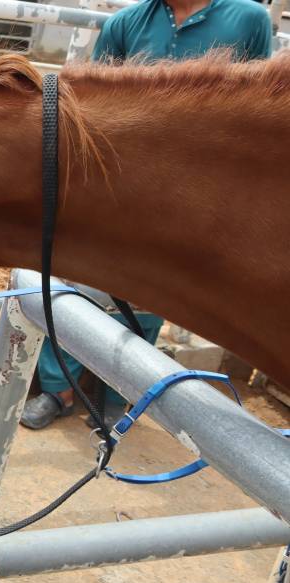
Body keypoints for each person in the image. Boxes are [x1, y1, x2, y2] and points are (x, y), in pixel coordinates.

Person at [20, 0, 272, 430]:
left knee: (154, 293)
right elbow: (93, 102)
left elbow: (255, 104)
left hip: (193, 194)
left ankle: (122, 392)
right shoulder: (126, 23)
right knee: (81, 279)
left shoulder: (248, 19)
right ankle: (59, 388)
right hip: (121, 184)